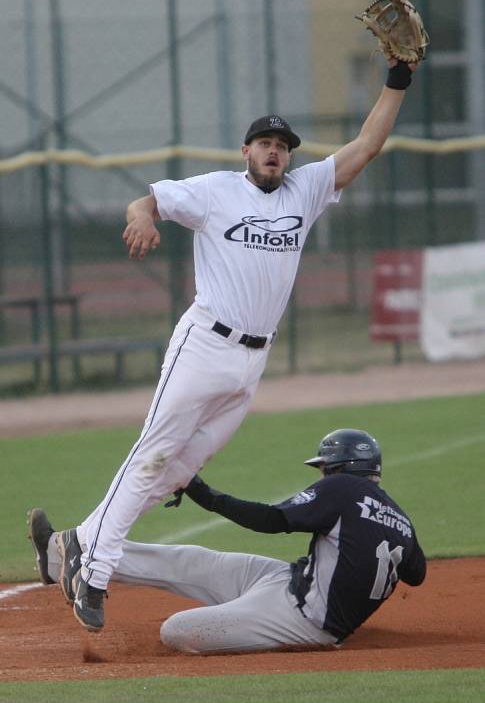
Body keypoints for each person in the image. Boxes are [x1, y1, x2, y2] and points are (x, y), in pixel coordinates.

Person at [51, 55, 418, 633]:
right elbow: (145, 201)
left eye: (283, 144)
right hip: (205, 345)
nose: (275, 151)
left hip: (251, 363)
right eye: (264, 142)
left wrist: (397, 79)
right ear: (246, 152)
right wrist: (143, 216)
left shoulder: (305, 190)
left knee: (177, 471)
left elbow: (366, 145)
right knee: (152, 453)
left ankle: (80, 541)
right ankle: (92, 574)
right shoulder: (214, 191)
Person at [29, 428, 426, 653]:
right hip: (288, 582)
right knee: (193, 560)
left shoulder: (341, 489)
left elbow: (273, 520)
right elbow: (418, 574)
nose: (322, 475)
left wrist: (208, 496)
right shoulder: (403, 523)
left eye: (325, 467)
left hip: (303, 621)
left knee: (177, 631)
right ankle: (60, 553)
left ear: (340, 468)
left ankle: (68, 555)